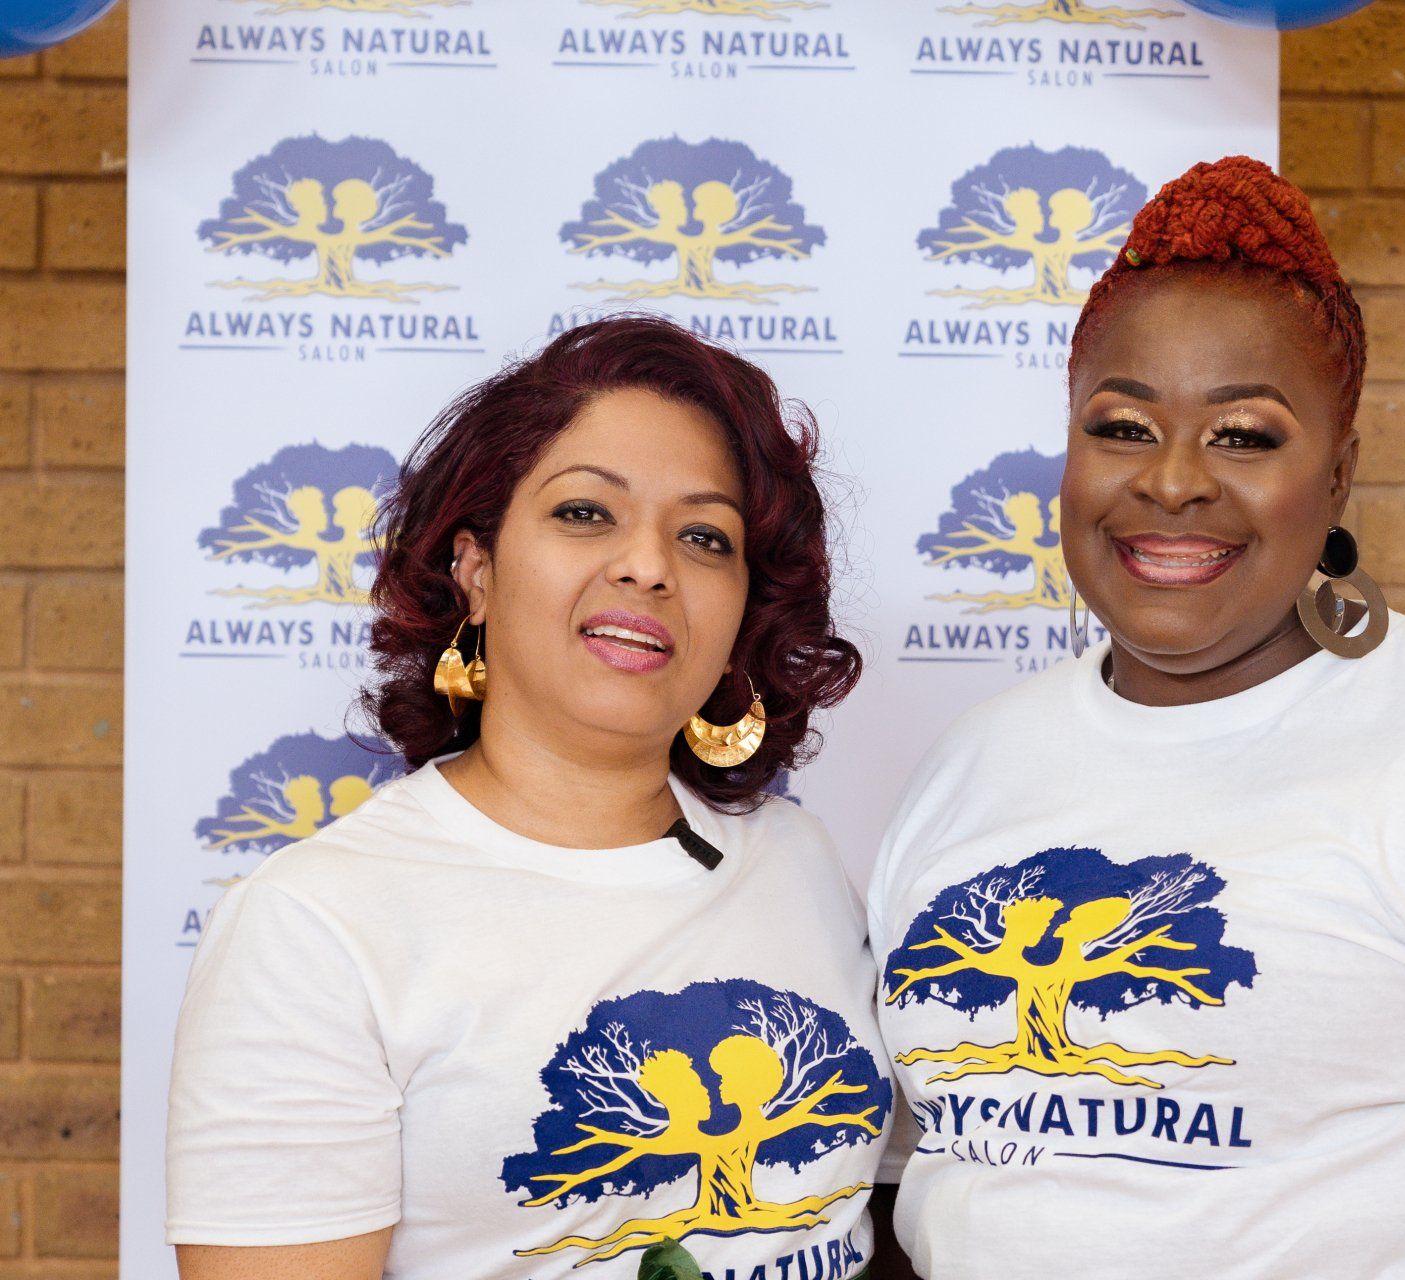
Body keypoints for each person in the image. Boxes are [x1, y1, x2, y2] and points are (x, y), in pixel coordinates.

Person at [868, 157, 1405, 1280]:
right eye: (1122, 425)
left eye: (1244, 435)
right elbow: (919, 1185)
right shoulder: (970, 763)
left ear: (1338, 477)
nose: (1173, 480)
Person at [167, 316, 895, 1280]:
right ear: (476, 570)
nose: (649, 565)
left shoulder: (795, 860)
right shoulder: (314, 925)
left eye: (704, 536)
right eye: (586, 512)